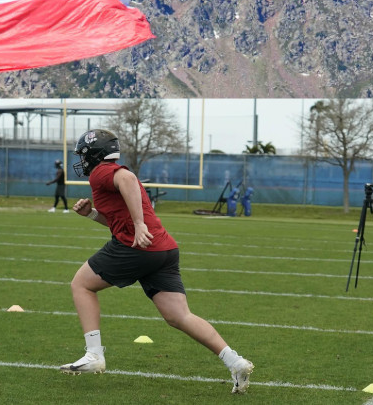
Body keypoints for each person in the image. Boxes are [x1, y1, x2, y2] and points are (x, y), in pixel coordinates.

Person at [60, 129, 254, 394]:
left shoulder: (103, 172)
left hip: (137, 247)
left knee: (81, 285)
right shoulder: (108, 175)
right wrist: (93, 214)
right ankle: (235, 361)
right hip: (162, 249)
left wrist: (139, 224)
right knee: (179, 316)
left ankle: (94, 355)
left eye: (84, 155)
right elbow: (118, 222)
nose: (82, 162)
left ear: (95, 154)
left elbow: (127, 179)